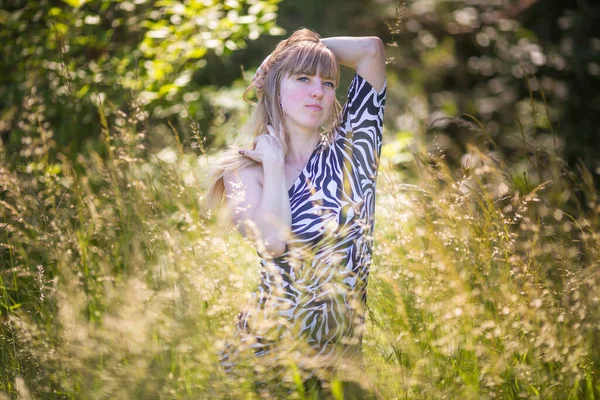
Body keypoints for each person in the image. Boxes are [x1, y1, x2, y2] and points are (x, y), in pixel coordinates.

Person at [206, 28, 386, 397]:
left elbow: (370, 50)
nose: (317, 90)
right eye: (302, 79)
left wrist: (289, 54)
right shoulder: (244, 171)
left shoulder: (354, 149)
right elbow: (272, 242)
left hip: (341, 363)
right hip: (264, 361)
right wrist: (273, 165)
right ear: (275, 89)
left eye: (328, 83)